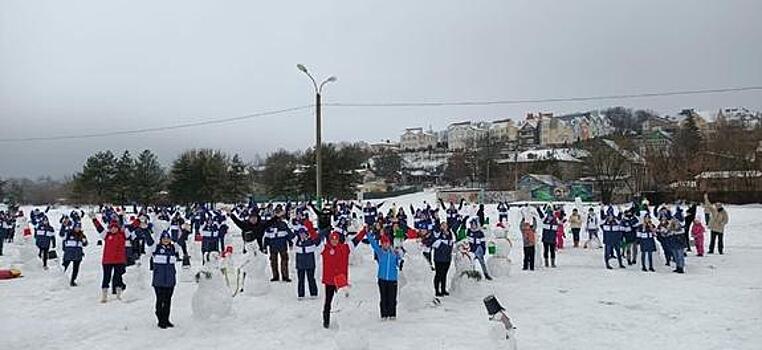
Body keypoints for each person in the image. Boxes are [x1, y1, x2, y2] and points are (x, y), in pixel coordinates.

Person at [320, 228, 367, 329]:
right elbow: (315, 241)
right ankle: (326, 321)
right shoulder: (324, 249)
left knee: (343, 302)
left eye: (336, 239)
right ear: (329, 240)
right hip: (329, 280)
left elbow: (356, 240)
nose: (334, 241)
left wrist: (364, 231)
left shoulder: (345, 248)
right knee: (328, 301)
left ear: (339, 240)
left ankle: (344, 320)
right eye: (332, 239)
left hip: (341, 281)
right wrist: (322, 230)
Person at [93, 217, 131, 302]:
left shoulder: (123, 235)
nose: (113, 229)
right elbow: (99, 228)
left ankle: (118, 295)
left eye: (115, 227)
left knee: (118, 278)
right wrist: (94, 219)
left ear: (118, 228)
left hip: (119, 261)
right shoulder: (106, 235)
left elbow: (132, 227)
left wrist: (139, 220)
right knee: (106, 278)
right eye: (112, 227)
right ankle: (104, 296)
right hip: (107, 261)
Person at [368, 232, 403, 320]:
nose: (385, 244)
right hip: (382, 279)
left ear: (389, 243)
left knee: (392, 297)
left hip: (392, 279)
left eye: (387, 243)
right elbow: (373, 244)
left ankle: (392, 314)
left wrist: (399, 256)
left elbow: (400, 262)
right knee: (383, 297)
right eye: (383, 243)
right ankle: (384, 314)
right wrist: (367, 233)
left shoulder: (394, 254)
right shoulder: (380, 252)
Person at [151, 231, 178, 328]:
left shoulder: (173, 248)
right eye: (164, 238)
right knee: (160, 300)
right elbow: (149, 241)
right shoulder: (156, 248)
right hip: (159, 280)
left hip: (170, 280)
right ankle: (160, 319)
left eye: (168, 238)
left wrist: (186, 231)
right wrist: (145, 230)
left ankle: (166, 319)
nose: (166, 240)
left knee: (168, 301)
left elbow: (181, 241)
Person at [263, 207, 294, 282]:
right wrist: (264, 247)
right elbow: (266, 237)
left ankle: (285, 276)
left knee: (284, 261)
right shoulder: (269, 225)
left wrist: (290, 243)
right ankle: (275, 276)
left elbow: (289, 235)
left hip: (282, 246)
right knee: (273, 262)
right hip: (272, 246)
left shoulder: (283, 224)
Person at [293, 219, 320, 299]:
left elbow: (317, 241)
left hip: (310, 264)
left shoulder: (311, 241)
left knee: (311, 278)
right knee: (301, 280)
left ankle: (313, 293)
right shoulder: (297, 242)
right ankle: (301, 294)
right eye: (300, 234)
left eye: (303, 234)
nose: (302, 235)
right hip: (300, 264)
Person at [431, 221, 453, 296]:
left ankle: (443, 289)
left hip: (447, 258)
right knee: (438, 274)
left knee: (444, 274)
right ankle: (437, 290)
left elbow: (451, 245)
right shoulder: (437, 234)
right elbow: (434, 242)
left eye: (445, 225)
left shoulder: (450, 234)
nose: (444, 227)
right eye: (442, 225)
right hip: (438, 258)